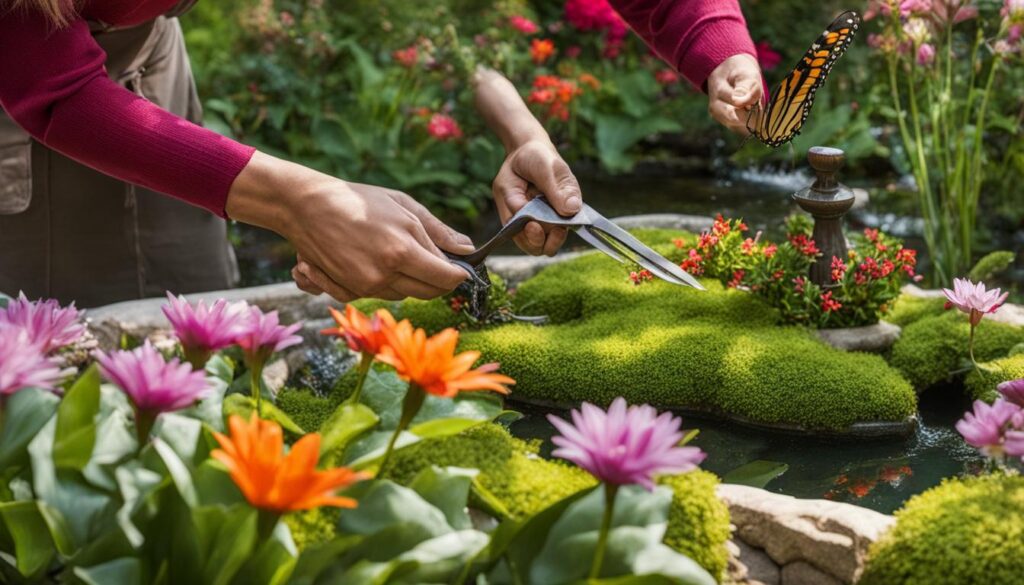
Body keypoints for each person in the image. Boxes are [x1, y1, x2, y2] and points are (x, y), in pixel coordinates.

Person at [0, 0, 762, 307]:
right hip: (28, 71)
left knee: (197, 327)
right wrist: (301, 200)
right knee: (57, 372)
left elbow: (435, 27)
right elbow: (53, 88)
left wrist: (708, 34)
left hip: (134, 49)